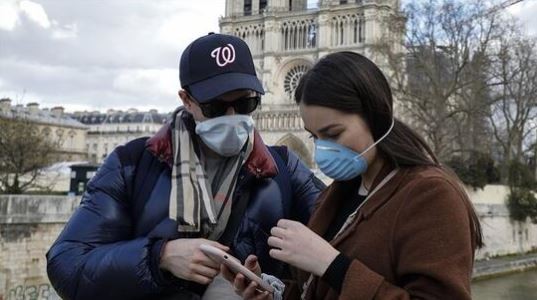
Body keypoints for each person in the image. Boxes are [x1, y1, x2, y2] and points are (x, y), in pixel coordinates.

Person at [46, 33, 324, 300]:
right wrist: (160, 257)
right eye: (215, 106)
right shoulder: (131, 165)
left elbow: (340, 250)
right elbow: (66, 264)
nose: (232, 116)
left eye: (245, 103)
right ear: (186, 100)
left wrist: (276, 290)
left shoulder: (284, 168)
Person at [224, 51, 483, 300]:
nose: (322, 148)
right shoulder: (336, 194)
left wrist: (331, 264)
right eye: (314, 136)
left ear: (376, 117)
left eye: (334, 134)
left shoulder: (432, 194)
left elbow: (333, 272)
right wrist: (271, 293)